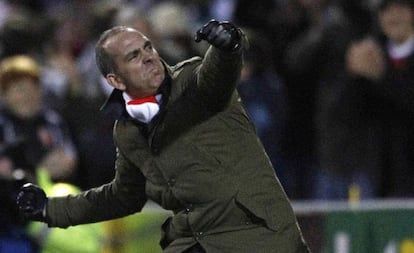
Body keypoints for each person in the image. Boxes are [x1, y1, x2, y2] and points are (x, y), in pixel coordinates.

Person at [16, 20, 310, 252]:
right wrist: (49, 208)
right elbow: (123, 196)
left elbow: (217, 72)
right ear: (115, 81)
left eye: (148, 48)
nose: (148, 58)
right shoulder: (127, 130)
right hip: (196, 241)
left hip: (257, 236)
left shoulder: (192, 84)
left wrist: (229, 45)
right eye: (134, 56)